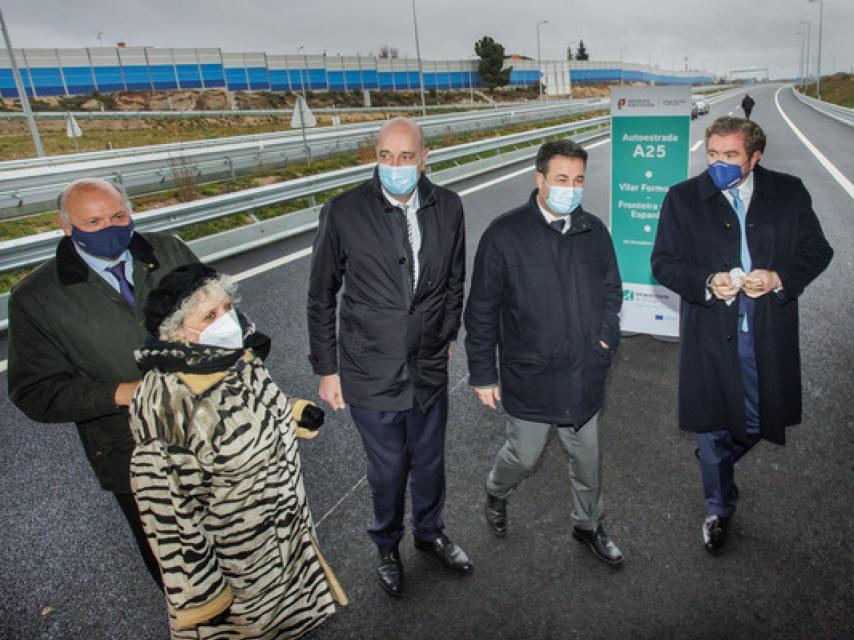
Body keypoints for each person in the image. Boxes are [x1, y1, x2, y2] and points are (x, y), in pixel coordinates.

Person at [130, 263, 346, 639]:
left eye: (227, 308)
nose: (226, 321)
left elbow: (253, 410)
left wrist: (294, 413)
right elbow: (171, 522)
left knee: (289, 622)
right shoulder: (166, 404)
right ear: (176, 331)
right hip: (237, 564)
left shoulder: (236, 358)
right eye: (210, 315)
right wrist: (206, 599)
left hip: (284, 535)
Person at [651, 116, 833, 552]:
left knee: (756, 419)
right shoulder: (682, 199)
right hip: (711, 332)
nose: (718, 165)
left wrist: (778, 277)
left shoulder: (788, 192)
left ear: (755, 157)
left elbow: (817, 250)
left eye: (730, 156)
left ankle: (718, 461)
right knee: (713, 423)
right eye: (712, 154)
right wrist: (707, 282)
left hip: (766, 330)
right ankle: (719, 506)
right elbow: (663, 263)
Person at [307, 117, 471, 598]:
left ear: (424, 158)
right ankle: (386, 544)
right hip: (369, 369)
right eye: (385, 156)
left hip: (427, 367)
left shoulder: (450, 207)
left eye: (405, 157)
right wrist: (326, 368)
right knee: (387, 469)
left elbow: (456, 279)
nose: (394, 167)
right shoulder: (343, 212)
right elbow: (321, 295)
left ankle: (430, 531)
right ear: (375, 156)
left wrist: (446, 334)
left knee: (430, 461)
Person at [7, 178, 199, 587]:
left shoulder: (169, 252)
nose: (111, 229)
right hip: (131, 449)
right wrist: (119, 393)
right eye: (93, 222)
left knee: (240, 537)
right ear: (65, 226)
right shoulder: (36, 298)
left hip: (209, 428)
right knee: (176, 566)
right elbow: (34, 392)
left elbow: (226, 318)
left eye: (118, 216)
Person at [464, 140, 624, 566]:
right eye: (561, 179)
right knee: (524, 456)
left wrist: (606, 339)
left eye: (577, 180)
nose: (571, 189)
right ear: (540, 179)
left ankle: (587, 524)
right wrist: (482, 374)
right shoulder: (504, 235)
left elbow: (612, 291)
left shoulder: (594, 231)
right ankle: (496, 492)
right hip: (531, 375)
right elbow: (481, 311)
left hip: (583, 373)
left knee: (588, 459)